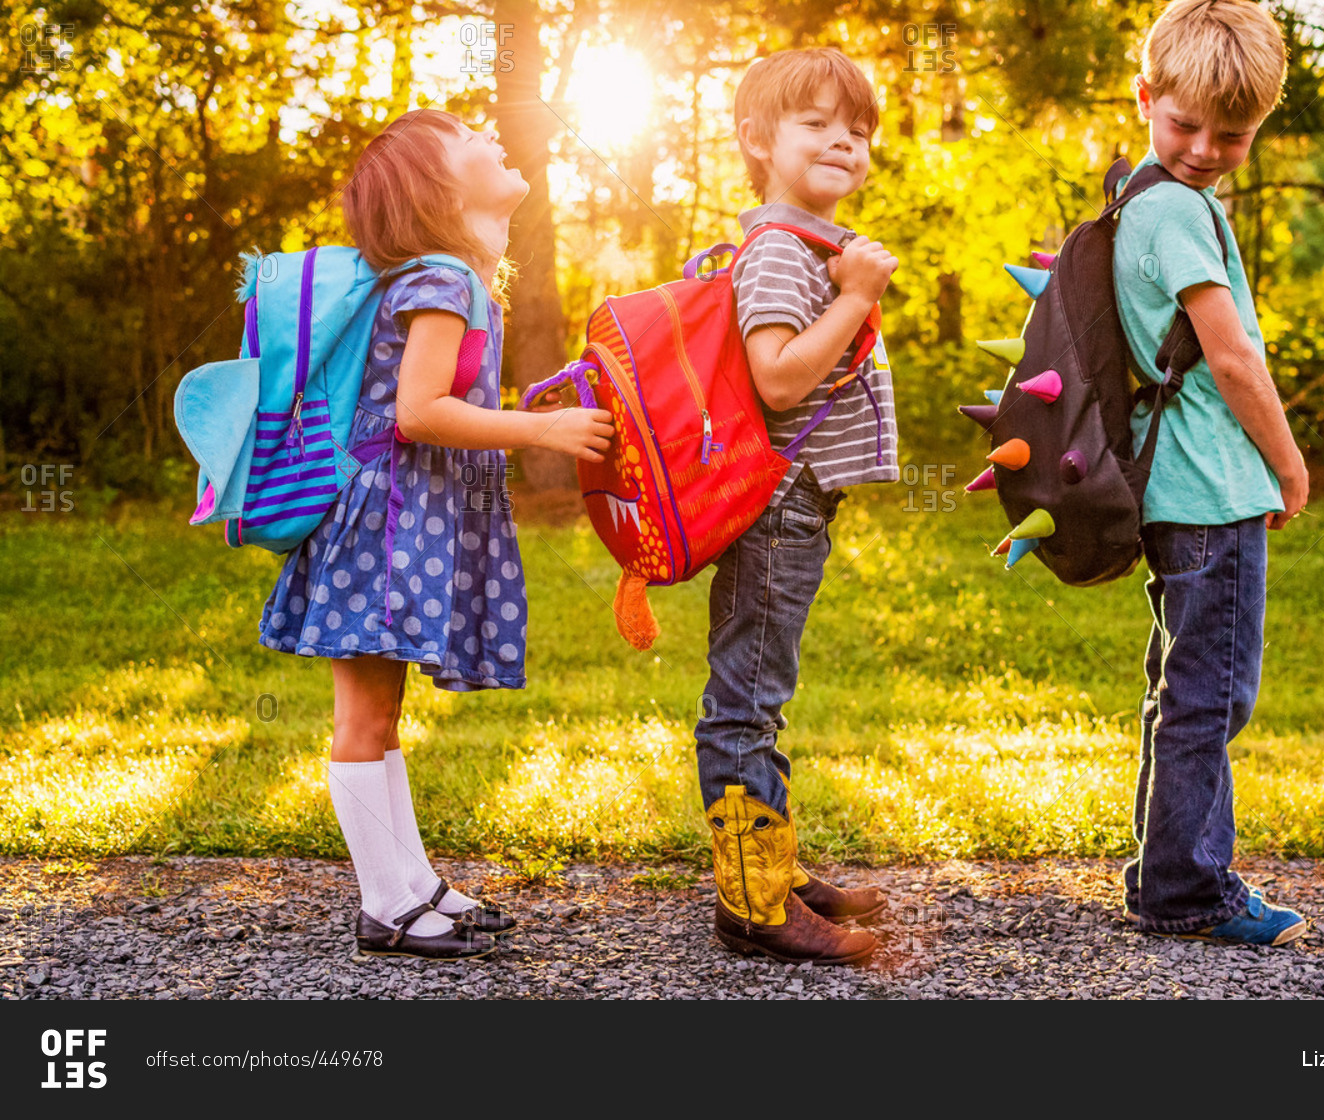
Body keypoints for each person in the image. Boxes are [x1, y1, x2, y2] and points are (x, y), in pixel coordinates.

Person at [258, 109, 614, 959]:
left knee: (383, 714)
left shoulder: (454, 278)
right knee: (365, 714)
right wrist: (543, 435)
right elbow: (418, 413)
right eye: (468, 138)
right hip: (386, 519)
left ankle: (414, 884)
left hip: (400, 515)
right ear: (440, 189)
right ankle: (383, 905)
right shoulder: (444, 278)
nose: (491, 136)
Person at [693, 48, 899, 965]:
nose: (843, 142)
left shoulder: (806, 241)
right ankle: (753, 902)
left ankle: (769, 864)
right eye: (815, 124)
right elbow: (778, 378)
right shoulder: (781, 250)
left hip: (795, 506)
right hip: (776, 503)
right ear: (756, 139)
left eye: (856, 130)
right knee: (745, 701)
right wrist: (856, 298)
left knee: (762, 694)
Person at [1114, 0, 1310, 945]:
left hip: (1175, 492)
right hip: (1210, 493)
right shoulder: (1177, 213)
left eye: (1230, 135)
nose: (1202, 148)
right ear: (1145, 96)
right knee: (1211, 694)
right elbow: (1231, 358)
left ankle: (1164, 872)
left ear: (1259, 125)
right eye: (1183, 125)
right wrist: (1288, 462)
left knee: (1183, 687)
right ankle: (1190, 890)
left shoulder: (1143, 200)